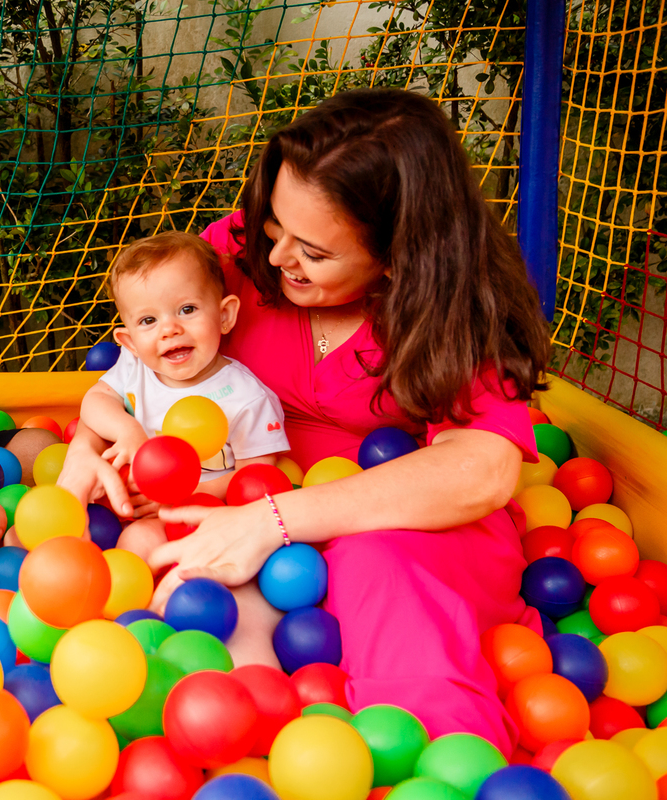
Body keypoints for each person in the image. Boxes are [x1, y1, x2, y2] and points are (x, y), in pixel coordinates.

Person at [59, 88, 550, 753]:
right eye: (274, 228)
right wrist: (88, 443)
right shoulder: (233, 258)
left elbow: (481, 469)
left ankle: (437, 759)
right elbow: (139, 362)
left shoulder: (452, 310)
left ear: (399, 252)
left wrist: (273, 520)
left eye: (314, 252)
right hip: (233, 493)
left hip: (388, 521)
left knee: (380, 567)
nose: (277, 256)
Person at [71, 232, 289, 563]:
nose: (169, 329)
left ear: (225, 316)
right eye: (148, 320)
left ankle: (130, 594)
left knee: (138, 541)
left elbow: (256, 476)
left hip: (196, 512)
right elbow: (96, 399)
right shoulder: (134, 367)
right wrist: (128, 431)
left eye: (187, 309)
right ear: (129, 342)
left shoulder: (246, 397)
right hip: (123, 498)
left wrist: (180, 495)